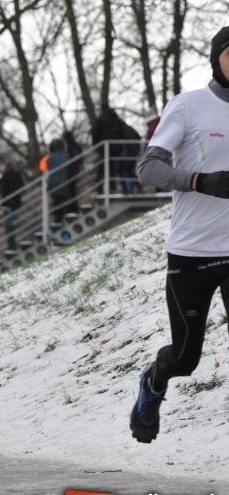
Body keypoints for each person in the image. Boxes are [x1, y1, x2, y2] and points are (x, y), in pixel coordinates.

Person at [130, 26, 229, 444]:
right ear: (217, 57)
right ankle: (153, 383)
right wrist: (198, 181)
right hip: (191, 254)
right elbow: (147, 169)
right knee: (185, 358)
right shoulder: (189, 106)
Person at [0, 161, 23, 252]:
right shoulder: (16, 176)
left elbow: (3, 191)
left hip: (8, 204)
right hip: (15, 203)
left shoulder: (5, 177)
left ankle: (11, 244)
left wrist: (7, 198)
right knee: (12, 222)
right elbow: (21, 187)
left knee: (9, 223)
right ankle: (12, 244)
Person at [47, 137, 71, 224]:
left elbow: (48, 167)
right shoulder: (66, 155)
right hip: (63, 182)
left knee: (56, 203)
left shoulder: (50, 157)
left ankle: (57, 219)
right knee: (65, 202)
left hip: (53, 183)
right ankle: (66, 217)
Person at [61, 130, 82, 213]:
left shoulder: (66, 147)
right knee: (73, 191)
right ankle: (75, 208)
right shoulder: (76, 146)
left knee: (68, 191)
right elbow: (81, 158)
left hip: (68, 172)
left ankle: (69, 210)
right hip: (76, 171)